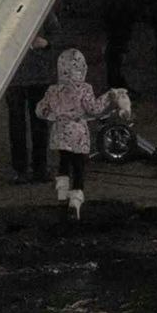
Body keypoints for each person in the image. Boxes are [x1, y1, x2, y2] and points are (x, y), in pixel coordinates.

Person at [35, 49, 105, 218]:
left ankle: (62, 193)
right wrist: (108, 98)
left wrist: (52, 115)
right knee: (79, 164)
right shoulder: (85, 89)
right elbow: (94, 109)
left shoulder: (53, 90)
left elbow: (40, 110)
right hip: (78, 133)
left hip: (60, 132)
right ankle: (76, 198)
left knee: (64, 160)